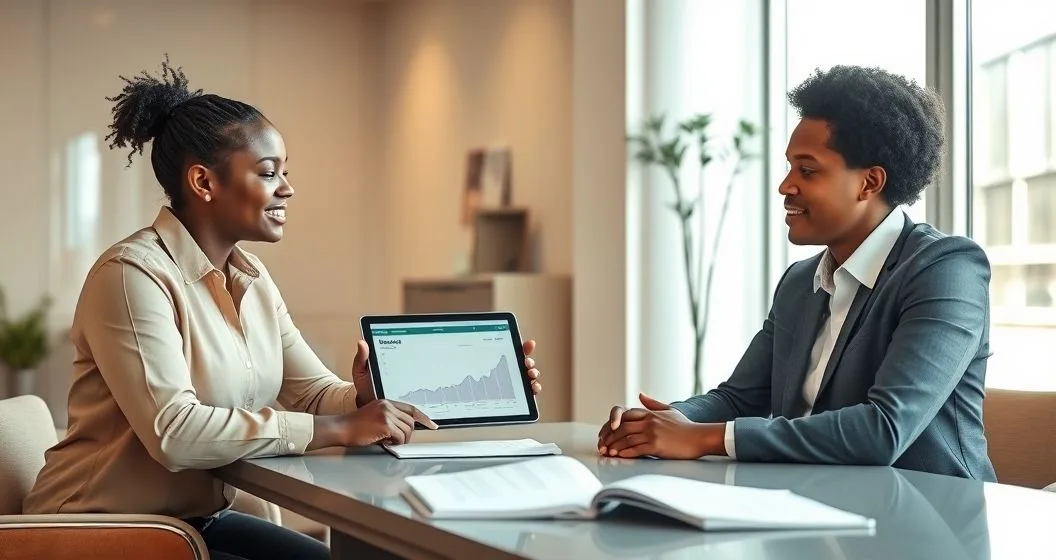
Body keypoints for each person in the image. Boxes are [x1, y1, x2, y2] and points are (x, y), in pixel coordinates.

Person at [22, 56, 544, 560]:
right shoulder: (132, 276)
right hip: (98, 530)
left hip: (189, 522)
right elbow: (174, 434)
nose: (287, 188)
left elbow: (314, 393)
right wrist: (339, 429)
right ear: (204, 182)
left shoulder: (250, 277)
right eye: (269, 172)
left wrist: (365, 396)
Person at [598, 65, 996, 481]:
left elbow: (883, 430)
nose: (786, 186)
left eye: (807, 170)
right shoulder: (799, 282)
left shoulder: (946, 268)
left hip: (934, 522)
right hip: (815, 504)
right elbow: (738, 399)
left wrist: (703, 438)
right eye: (790, 167)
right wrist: (661, 424)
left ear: (869, 183)